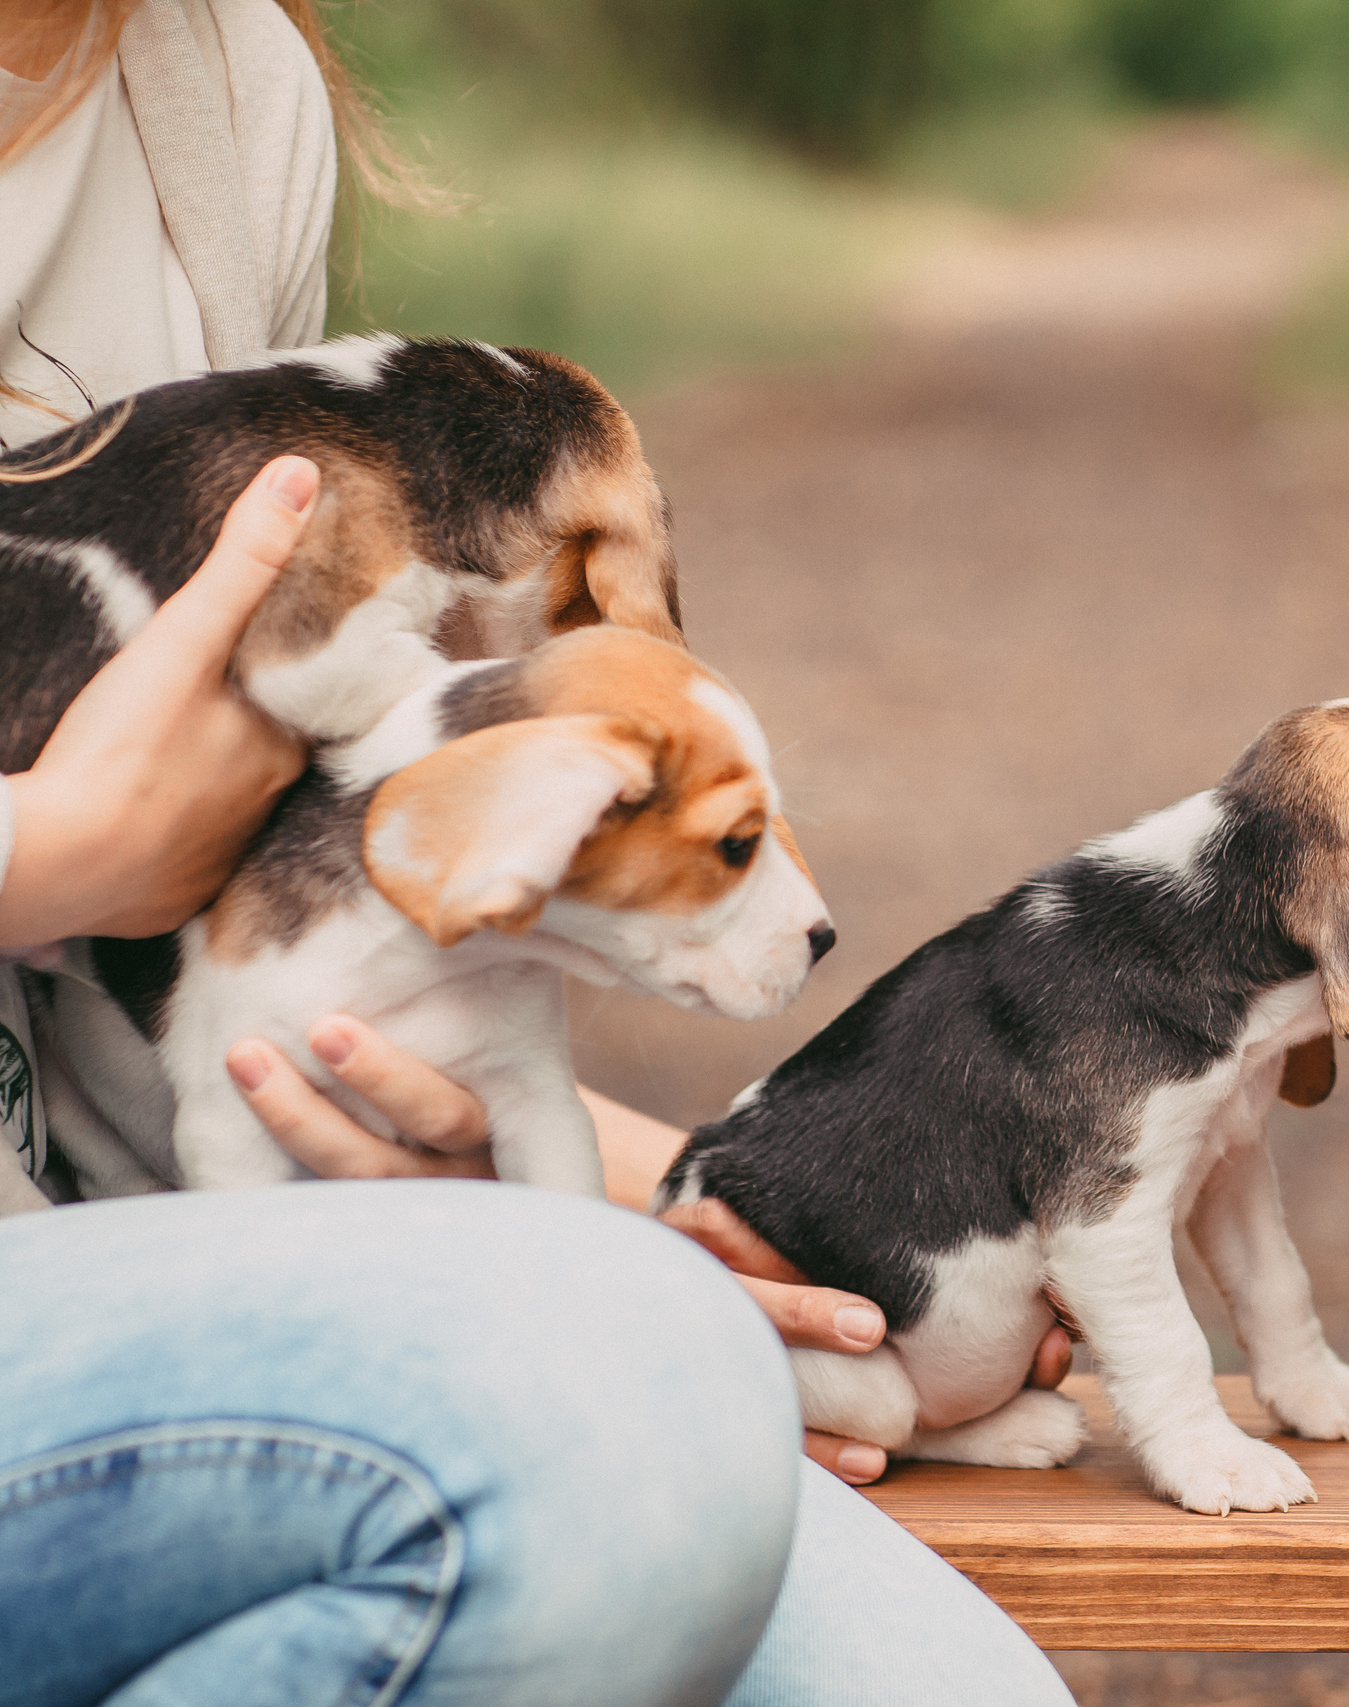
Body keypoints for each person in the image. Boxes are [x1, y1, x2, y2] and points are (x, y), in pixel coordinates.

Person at [0, 4, 1072, 1702]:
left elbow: (278, 905)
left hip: (132, 1249)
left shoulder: (211, 78)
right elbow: (119, 858)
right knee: (602, 1453)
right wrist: (38, 857)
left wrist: (719, 1208)